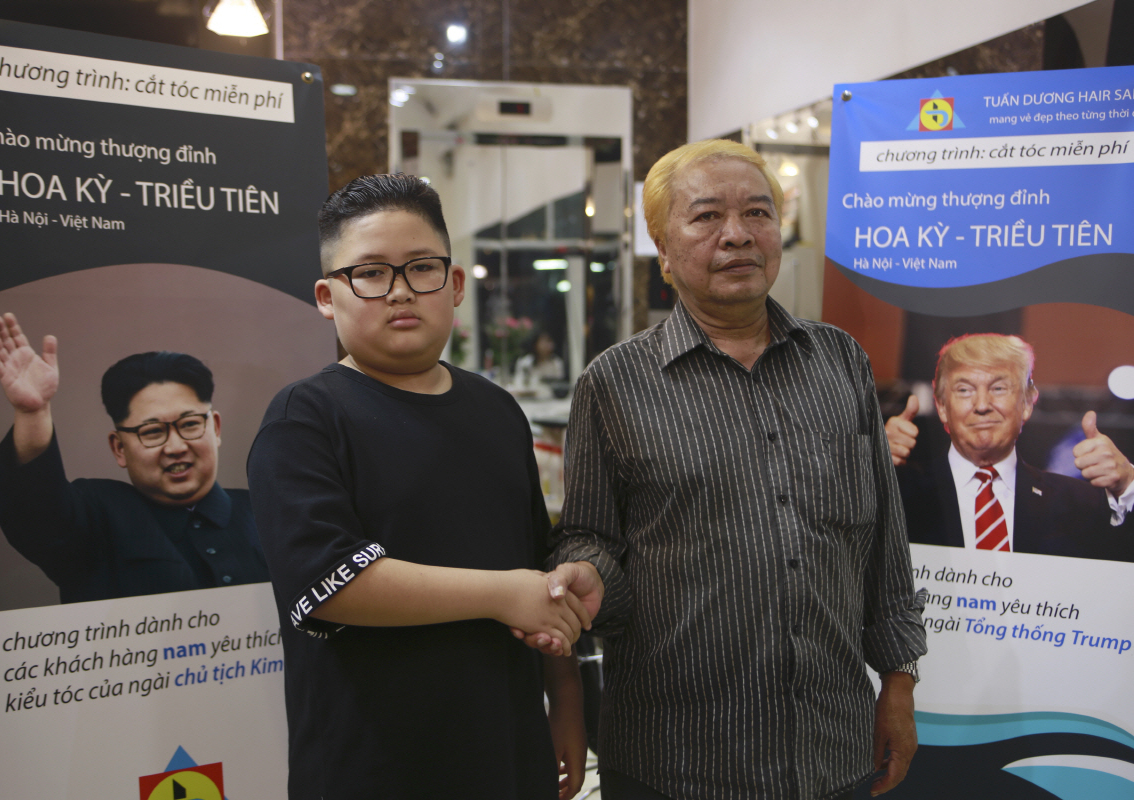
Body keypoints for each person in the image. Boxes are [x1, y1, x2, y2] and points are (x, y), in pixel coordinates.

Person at [532, 139, 928, 799]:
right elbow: (589, 536)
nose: (738, 234)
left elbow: (883, 537)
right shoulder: (615, 382)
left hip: (829, 748)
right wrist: (588, 572)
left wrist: (899, 680)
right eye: (707, 216)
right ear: (663, 250)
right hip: (673, 759)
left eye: (758, 213)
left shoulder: (841, 362)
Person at [245, 174, 589, 800]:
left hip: (507, 748)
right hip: (372, 762)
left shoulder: (497, 409)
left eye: (421, 268)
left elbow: (538, 567)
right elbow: (330, 584)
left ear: (454, 285)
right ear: (327, 296)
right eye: (371, 273)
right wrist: (503, 595)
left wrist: (566, 700)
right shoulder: (305, 418)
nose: (400, 290)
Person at [0, 313, 269, 603]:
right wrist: (33, 413)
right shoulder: (95, 519)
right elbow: (36, 510)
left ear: (216, 428)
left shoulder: (268, 513)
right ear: (119, 447)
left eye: (189, 424)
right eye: (153, 431)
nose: (175, 447)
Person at [885, 333, 1134, 561]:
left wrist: (1128, 483)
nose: (982, 405)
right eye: (964, 390)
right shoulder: (894, 492)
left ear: (1027, 403)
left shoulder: (1077, 503)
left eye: (998, 388)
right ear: (941, 406)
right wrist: (869, 467)